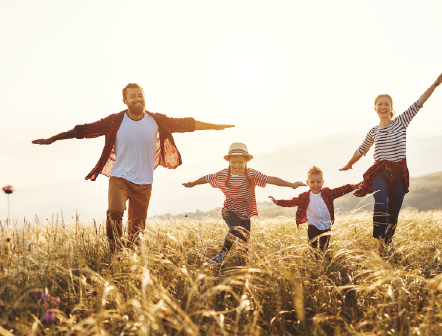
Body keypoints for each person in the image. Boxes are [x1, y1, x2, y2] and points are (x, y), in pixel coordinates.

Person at [32, 83, 234, 252]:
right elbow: (84, 130)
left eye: (140, 95)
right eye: (132, 96)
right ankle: (115, 252)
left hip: (144, 182)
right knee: (115, 212)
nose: (137, 98)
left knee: (137, 230)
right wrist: (53, 138)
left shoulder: (157, 120)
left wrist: (216, 126)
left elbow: (187, 124)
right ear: (125, 101)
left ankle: (131, 260)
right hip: (119, 177)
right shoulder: (114, 121)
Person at [340, 69, 442, 253]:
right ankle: (379, 245)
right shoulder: (373, 131)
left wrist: (435, 85)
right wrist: (350, 164)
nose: (383, 107)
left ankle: (386, 245)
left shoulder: (401, 122)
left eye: (386, 104)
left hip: (399, 172)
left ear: (391, 107)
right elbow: (361, 150)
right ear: (375, 108)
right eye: (379, 104)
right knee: (380, 203)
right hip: (379, 172)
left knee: (393, 214)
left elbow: (419, 103)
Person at [182, 142, 305, 264]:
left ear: (246, 161)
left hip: (245, 214)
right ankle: (222, 254)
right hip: (228, 211)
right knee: (236, 229)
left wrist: (291, 185)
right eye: (233, 162)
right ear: (229, 162)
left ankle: (240, 266)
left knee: (244, 244)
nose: (237, 165)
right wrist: (193, 183)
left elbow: (271, 179)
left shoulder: (251, 174)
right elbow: (208, 177)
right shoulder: (224, 174)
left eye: (240, 162)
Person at [269, 166, 360, 254]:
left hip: (326, 226)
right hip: (313, 225)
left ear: (322, 182)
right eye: (312, 182)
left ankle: (322, 261)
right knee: (312, 245)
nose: (315, 185)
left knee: (323, 249)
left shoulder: (327, 193)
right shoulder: (305, 196)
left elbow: (340, 190)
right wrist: (278, 202)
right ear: (307, 182)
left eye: (318, 182)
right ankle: (314, 258)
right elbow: (292, 202)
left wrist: (353, 186)